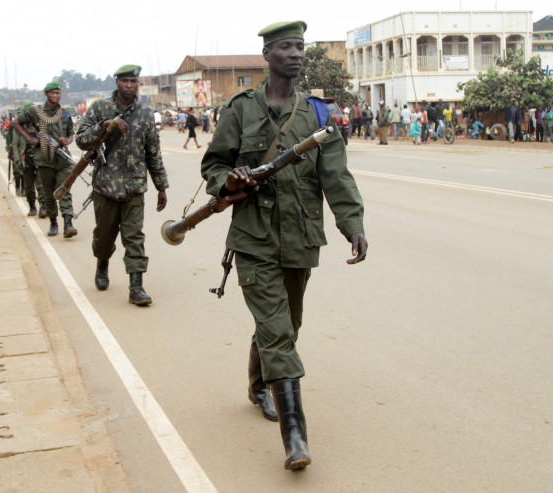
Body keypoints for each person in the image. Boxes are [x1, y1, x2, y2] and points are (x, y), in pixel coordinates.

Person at [201, 21, 367, 471]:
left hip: (300, 237)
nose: (295, 54)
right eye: (286, 47)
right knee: (278, 331)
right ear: (267, 55)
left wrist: (352, 223)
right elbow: (214, 165)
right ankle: (295, 437)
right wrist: (227, 180)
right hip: (254, 238)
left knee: (284, 324)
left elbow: (336, 175)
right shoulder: (240, 109)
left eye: (300, 47)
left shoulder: (318, 114)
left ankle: (258, 384)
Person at [76, 64, 169, 305]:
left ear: (138, 84)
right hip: (105, 187)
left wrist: (161, 186)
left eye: (133, 81)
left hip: (134, 188)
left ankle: (136, 287)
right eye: (125, 81)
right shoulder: (100, 108)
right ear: (117, 82)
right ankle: (102, 262)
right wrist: (104, 126)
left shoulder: (146, 114)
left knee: (134, 236)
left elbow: (153, 153)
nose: (129, 86)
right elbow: (81, 140)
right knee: (104, 236)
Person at [13, 82, 76, 238]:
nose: (55, 96)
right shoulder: (36, 112)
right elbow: (16, 123)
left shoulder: (65, 113)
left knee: (64, 189)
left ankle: (68, 223)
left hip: (62, 158)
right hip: (44, 158)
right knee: (48, 192)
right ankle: (53, 222)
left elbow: (71, 133)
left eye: (58, 93)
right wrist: (30, 139)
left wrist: (67, 140)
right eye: (52, 93)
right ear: (46, 94)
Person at [13, 103, 46, 215]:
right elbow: (15, 145)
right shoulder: (19, 127)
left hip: (39, 157)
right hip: (26, 159)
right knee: (28, 186)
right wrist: (17, 160)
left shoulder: (39, 124)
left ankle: (43, 207)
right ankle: (32, 206)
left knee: (41, 184)